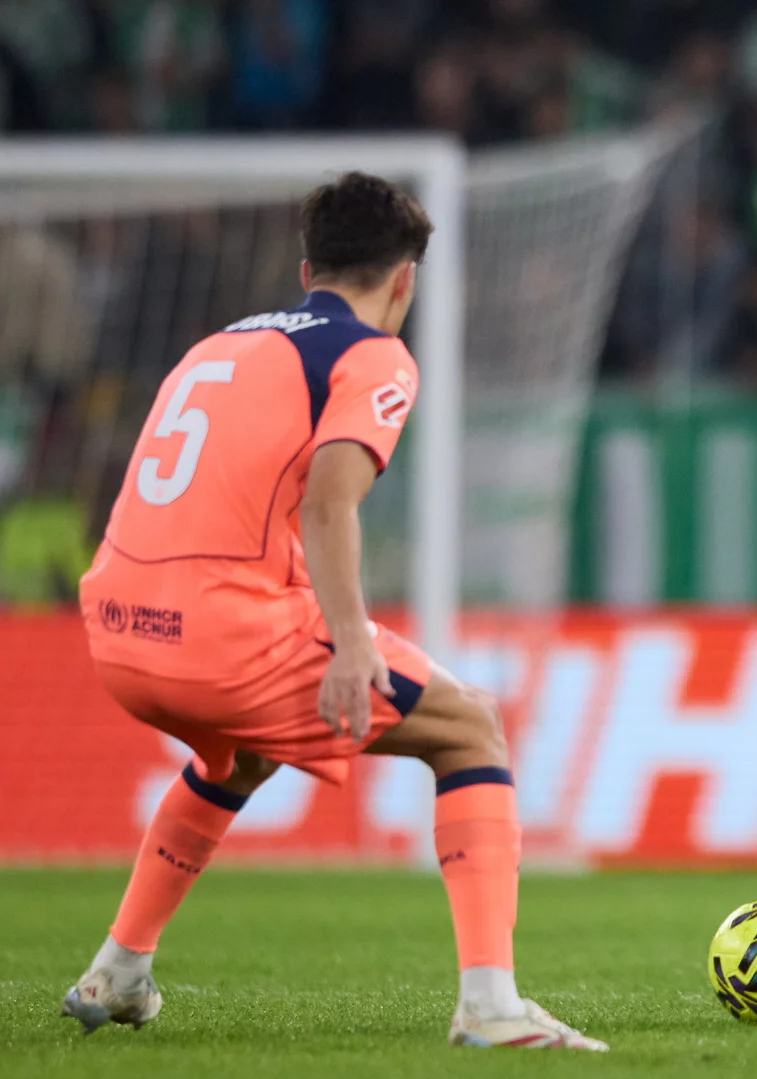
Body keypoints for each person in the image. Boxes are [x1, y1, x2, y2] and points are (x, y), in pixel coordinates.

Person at [65, 172, 605, 1051]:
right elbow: (329, 501)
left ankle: (118, 970)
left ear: (307, 265)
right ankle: (491, 1003)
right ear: (404, 280)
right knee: (471, 728)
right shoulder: (373, 354)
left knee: (242, 757)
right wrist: (352, 643)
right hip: (221, 636)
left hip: (118, 626)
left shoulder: (214, 347)